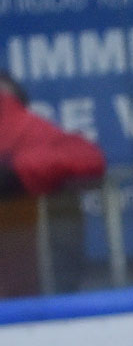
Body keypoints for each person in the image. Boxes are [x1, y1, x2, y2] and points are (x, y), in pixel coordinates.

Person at [0, 72, 106, 297]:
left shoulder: (25, 130)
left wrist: (16, 174)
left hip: (26, 280)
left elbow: (88, 158)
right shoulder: (27, 131)